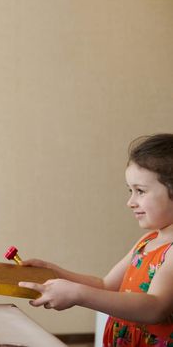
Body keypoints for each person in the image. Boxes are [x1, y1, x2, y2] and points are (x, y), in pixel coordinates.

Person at [19, 134, 173, 346]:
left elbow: (155, 307)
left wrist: (78, 294)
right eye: (130, 191)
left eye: (140, 191)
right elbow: (105, 285)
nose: (130, 202)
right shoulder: (148, 240)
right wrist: (53, 272)